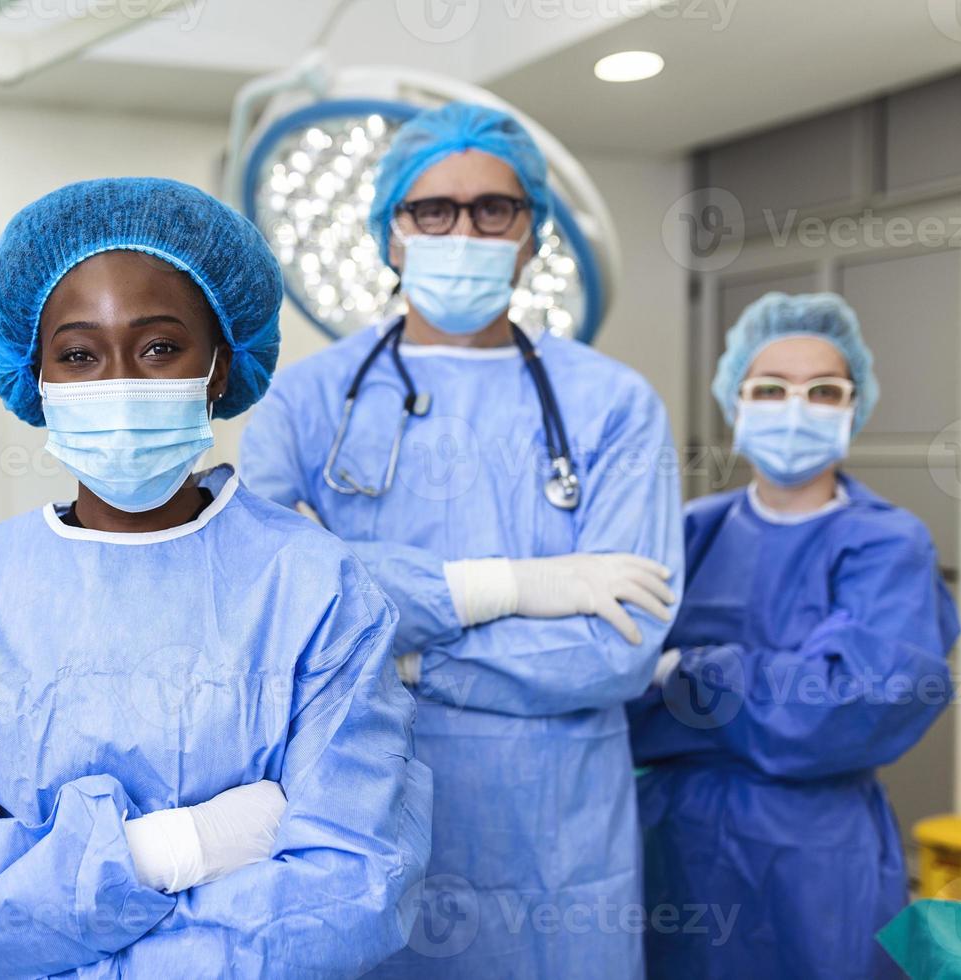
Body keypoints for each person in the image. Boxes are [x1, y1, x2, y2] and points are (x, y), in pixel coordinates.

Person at [0, 177, 433, 979]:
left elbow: (347, 894)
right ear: (36, 379)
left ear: (219, 366)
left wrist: (20, 894)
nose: (120, 379)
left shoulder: (315, 593)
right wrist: (181, 848)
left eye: (160, 346)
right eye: (77, 354)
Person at [241, 102, 682, 978]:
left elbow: (614, 647)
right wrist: (512, 586)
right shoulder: (304, 401)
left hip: (553, 843)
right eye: (431, 209)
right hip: (357, 813)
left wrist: (401, 660)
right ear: (390, 233)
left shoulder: (614, 406)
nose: (464, 230)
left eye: (494, 209)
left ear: (533, 234)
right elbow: (272, 594)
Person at [628, 292, 958, 979]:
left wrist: (683, 673)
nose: (795, 407)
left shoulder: (886, 544)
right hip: (673, 844)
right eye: (771, 388)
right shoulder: (691, 529)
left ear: (853, 406)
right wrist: (754, 683)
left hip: (815, 852)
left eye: (823, 390)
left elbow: (842, 711)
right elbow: (617, 688)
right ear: (736, 400)